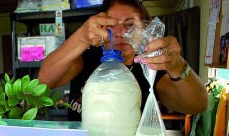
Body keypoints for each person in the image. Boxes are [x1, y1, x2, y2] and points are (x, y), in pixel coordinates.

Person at [38, 0, 208, 121]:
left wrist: (178, 66)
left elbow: (197, 104)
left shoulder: (150, 69)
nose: (119, 33)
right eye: (111, 25)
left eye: (129, 25)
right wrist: (81, 37)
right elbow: (45, 80)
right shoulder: (86, 59)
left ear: (144, 29)